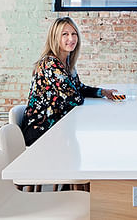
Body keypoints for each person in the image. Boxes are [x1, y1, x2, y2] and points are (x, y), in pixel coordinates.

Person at [21, 16, 117, 145]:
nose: (71, 39)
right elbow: (74, 98)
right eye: (65, 34)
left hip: (58, 126)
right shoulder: (50, 63)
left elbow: (79, 88)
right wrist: (77, 94)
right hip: (40, 130)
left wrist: (103, 92)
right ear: (55, 37)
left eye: (74, 34)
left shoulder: (66, 62)